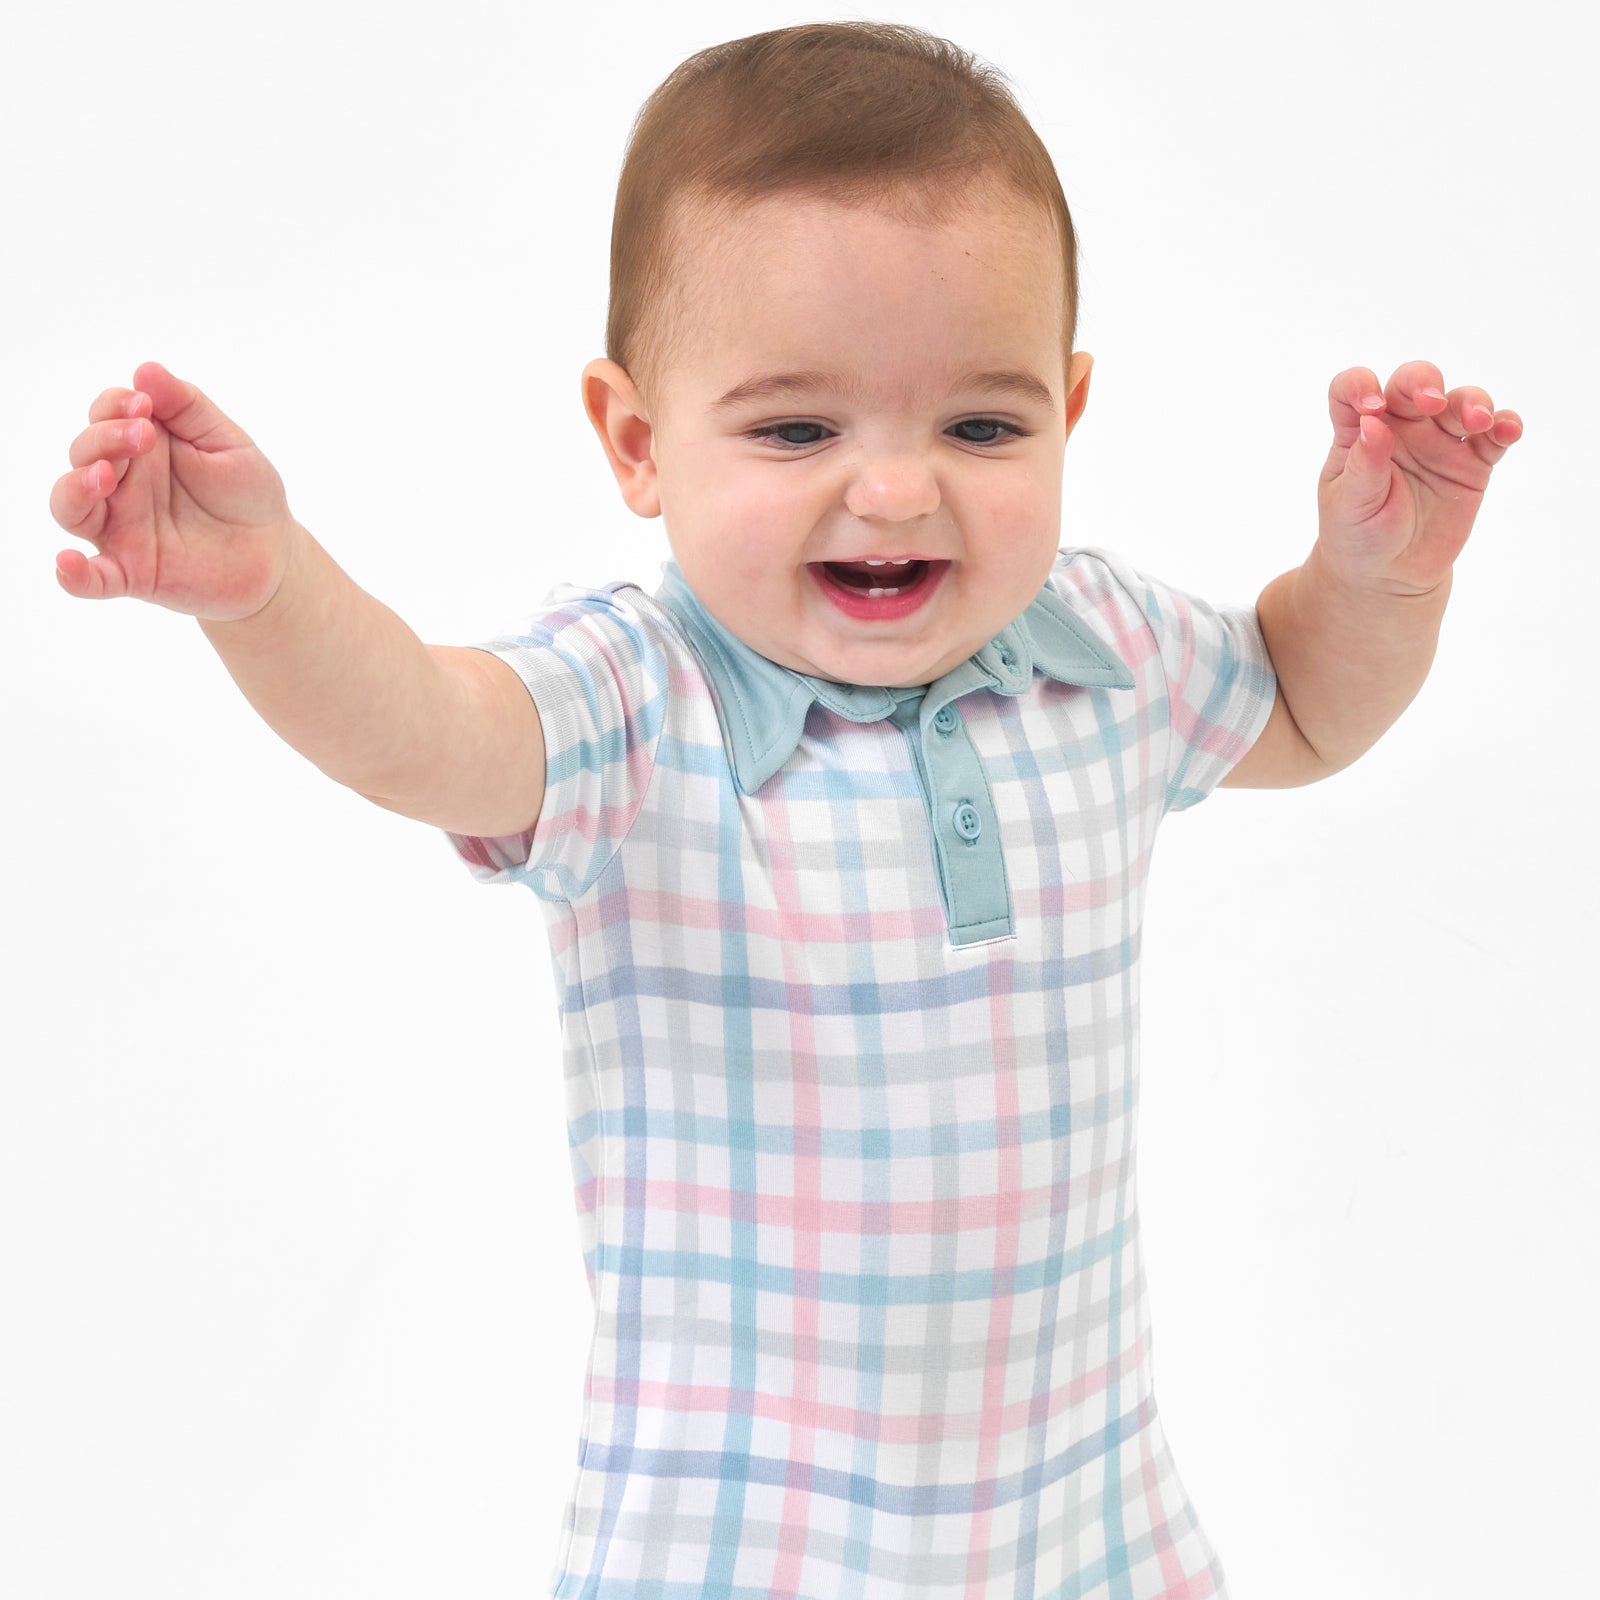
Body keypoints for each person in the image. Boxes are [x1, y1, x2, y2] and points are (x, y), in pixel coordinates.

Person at [47, 20, 1522, 1600]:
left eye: (982, 424)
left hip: (1084, 1520)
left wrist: (1381, 577)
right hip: (749, 1540)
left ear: (1071, 412)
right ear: (638, 440)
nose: (895, 491)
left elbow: (1301, 705)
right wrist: (267, 594)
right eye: (796, 428)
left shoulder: (1104, 651)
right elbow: (421, 727)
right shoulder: (637, 703)